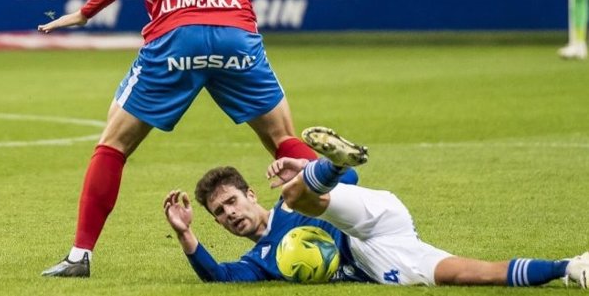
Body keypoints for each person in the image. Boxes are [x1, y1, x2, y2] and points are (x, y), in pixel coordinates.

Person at [38, 0, 318, 277]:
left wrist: (85, 13)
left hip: (176, 39)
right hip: (235, 38)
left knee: (113, 145)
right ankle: (355, 218)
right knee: (283, 140)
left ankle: (80, 256)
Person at [163, 126, 589, 288]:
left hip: (364, 219)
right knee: (469, 274)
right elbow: (218, 276)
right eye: (220, 213)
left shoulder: (283, 203)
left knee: (296, 195)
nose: (230, 213)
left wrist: (318, 173)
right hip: (379, 254)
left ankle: (324, 165)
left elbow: (354, 181)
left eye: (232, 201)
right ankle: (569, 267)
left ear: (250, 195)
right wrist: (186, 234)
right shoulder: (259, 261)